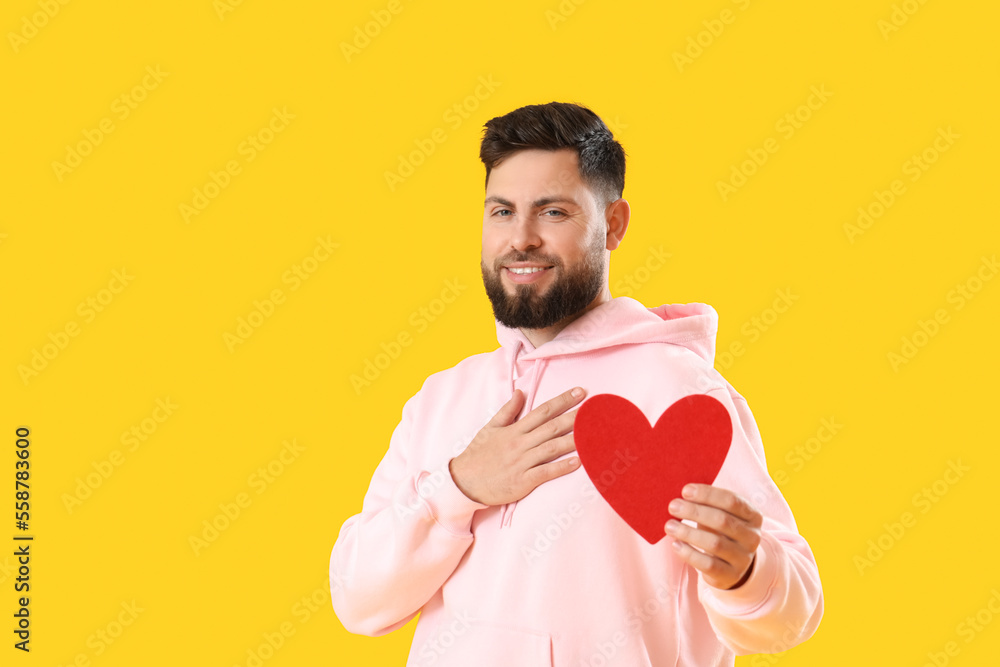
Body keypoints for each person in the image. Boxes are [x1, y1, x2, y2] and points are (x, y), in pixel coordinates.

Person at [330, 101, 823, 666]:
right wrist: (460, 486)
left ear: (612, 225)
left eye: (553, 212)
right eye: (501, 212)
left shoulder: (678, 390)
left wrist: (747, 574)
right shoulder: (441, 398)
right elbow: (358, 601)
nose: (522, 238)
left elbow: (795, 613)